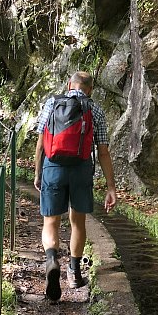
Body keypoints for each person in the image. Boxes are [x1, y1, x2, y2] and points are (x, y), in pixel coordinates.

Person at [33, 71, 117, 302]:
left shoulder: (52, 102)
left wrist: (39, 173)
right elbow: (103, 151)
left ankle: (52, 260)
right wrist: (111, 187)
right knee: (77, 222)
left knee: (51, 221)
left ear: (69, 84)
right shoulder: (94, 109)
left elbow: (41, 145)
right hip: (80, 169)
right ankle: (74, 273)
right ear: (89, 89)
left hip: (53, 167)